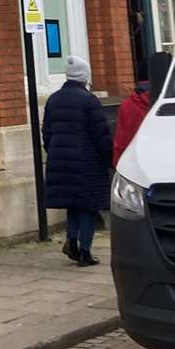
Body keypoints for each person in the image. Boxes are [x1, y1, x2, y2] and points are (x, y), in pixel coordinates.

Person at [42, 55, 113, 267]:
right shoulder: (90, 101)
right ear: (85, 77)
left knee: (73, 205)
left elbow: (47, 133)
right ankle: (85, 251)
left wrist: (54, 152)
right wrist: (110, 158)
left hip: (60, 160)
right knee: (88, 207)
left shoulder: (53, 99)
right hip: (86, 162)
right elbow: (101, 136)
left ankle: (71, 241)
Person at [112, 77, 151, 169]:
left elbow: (122, 137)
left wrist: (117, 162)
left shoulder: (126, 105)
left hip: (131, 159)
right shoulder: (162, 104)